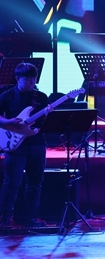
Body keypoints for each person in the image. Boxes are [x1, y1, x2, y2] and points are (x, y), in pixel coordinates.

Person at [0, 63, 50, 228]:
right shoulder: (7, 96)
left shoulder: (41, 97)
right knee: (12, 183)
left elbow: (46, 122)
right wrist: (8, 122)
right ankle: (4, 219)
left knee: (35, 182)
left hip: (37, 143)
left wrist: (47, 117)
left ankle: (29, 218)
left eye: (34, 79)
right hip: (15, 145)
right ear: (17, 79)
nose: (32, 82)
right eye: (28, 79)